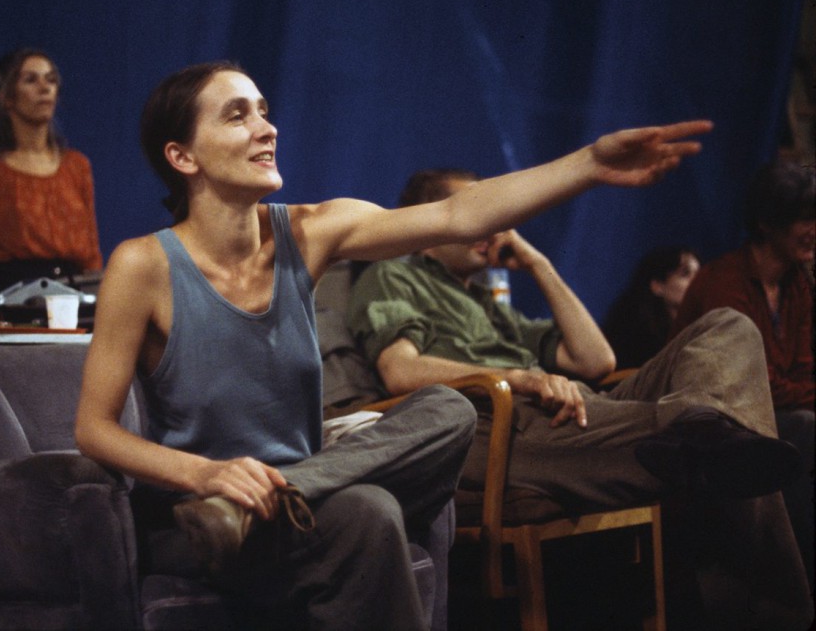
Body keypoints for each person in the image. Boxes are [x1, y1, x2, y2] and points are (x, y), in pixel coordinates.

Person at [73, 60, 714, 628]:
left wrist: (589, 165)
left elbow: (458, 216)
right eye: (237, 116)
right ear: (183, 156)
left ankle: (297, 488)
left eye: (265, 112)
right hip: (203, 519)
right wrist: (208, 475)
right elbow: (95, 429)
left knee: (449, 409)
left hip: (301, 496)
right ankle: (257, 506)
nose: (266, 129)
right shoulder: (142, 266)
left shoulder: (310, 229)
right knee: (371, 511)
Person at [348, 167, 812, 630]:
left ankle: (702, 426)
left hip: (570, 409)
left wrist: (537, 263)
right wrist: (517, 376)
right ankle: (777, 612)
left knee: (727, 327)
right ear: (429, 219)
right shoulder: (392, 275)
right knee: (734, 443)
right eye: (478, 212)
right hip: (498, 423)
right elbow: (399, 369)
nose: (493, 224)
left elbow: (596, 360)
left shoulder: (489, 303)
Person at [673, 158, 815, 591]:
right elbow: (755, 385)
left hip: (777, 414)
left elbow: (804, 367)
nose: (813, 229)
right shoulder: (724, 282)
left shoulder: (799, 284)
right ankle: (793, 588)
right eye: (803, 218)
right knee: (805, 427)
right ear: (768, 223)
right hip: (718, 423)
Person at [0, 48, 103, 304]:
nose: (44, 88)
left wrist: (94, 302)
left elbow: (91, 257)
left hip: (71, 301)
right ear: (7, 97)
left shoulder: (77, 165)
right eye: (30, 80)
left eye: (51, 79)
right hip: (10, 302)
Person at [602, 245, 700, 368]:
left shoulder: (701, 328)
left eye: (698, 274)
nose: (697, 281)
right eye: (685, 274)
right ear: (657, 286)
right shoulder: (632, 333)